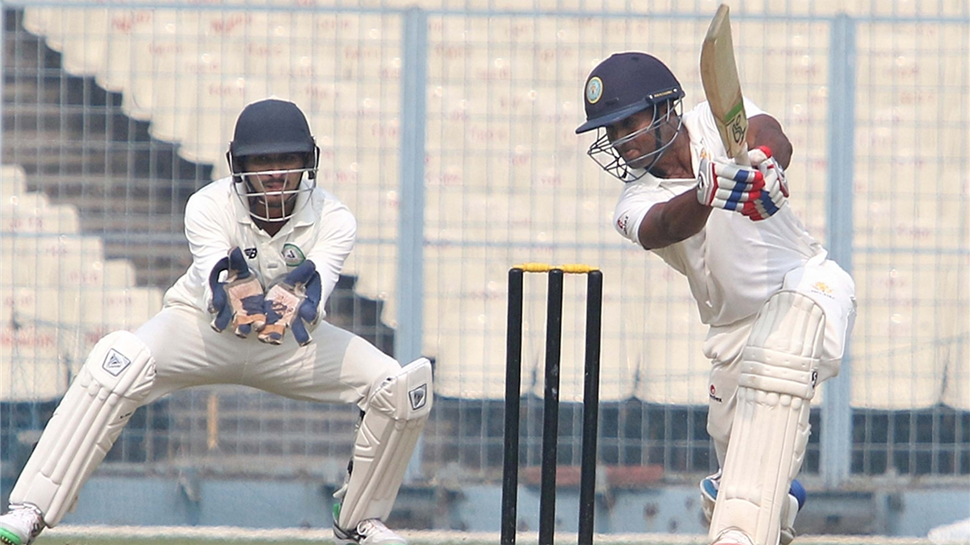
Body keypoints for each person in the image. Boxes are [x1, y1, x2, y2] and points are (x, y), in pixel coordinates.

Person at [0, 98, 433, 545]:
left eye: (287, 159)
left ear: (308, 162)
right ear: (238, 165)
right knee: (118, 359)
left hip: (289, 344)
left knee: (400, 387)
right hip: (202, 332)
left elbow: (318, 281)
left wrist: (299, 298)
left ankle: (358, 518)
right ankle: (32, 508)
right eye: (262, 161)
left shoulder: (334, 218)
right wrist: (229, 289)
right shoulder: (208, 206)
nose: (275, 173)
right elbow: (217, 282)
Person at [576, 52, 855, 545]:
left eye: (628, 124)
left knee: (783, 359)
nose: (619, 141)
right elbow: (663, 227)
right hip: (731, 334)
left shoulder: (713, 120)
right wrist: (705, 194)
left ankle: (773, 494)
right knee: (737, 508)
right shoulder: (633, 201)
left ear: (665, 108)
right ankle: (780, 501)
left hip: (808, 287)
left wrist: (767, 164)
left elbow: (770, 132)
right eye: (610, 131)